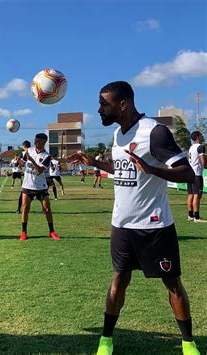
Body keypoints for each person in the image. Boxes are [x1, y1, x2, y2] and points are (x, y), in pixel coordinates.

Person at [68, 81, 200, 355]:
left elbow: (187, 173)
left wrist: (152, 169)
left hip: (154, 225)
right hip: (122, 226)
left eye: (104, 104)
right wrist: (94, 164)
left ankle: (188, 343)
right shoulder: (118, 135)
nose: (99, 109)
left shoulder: (155, 132)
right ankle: (106, 340)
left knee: (173, 283)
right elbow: (122, 170)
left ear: (123, 104)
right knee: (118, 280)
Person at [19, 133, 61, 241]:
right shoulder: (29, 151)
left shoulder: (47, 156)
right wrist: (18, 160)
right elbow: (22, 163)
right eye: (35, 140)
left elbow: (39, 171)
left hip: (41, 186)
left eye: (37, 141)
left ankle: (51, 231)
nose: (35, 142)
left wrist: (31, 160)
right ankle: (23, 232)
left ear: (44, 142)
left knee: (47, 209)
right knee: (25, 208)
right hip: (27, 186)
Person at [187, 131, 206, 223]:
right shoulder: (200, 147)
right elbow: (203, 162)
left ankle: (190, 215)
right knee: (197, 195)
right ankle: (197, 217)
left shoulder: (191, 147)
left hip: (190, 174)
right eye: (201, 135)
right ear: (198, 137)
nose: (203, 137)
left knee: (191, 194)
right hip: (197, 174)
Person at [15, 140, 31, 214]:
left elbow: (21, 164)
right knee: (40, 195)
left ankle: (18, 209)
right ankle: (44, 210)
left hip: (28, 177)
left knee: (22, 194)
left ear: (24, 146)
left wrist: (17, 161)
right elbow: (22, 163)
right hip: (36, 177)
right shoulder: (34, 151)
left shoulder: (25, 153)